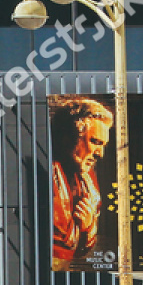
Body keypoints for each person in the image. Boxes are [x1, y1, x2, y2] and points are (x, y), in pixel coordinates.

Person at [49, 96, 115, 270]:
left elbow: (81, 249)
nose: (100, 154)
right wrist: (86, 227)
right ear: (69, 136)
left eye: (103, 145)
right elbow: (61, 243)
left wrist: (86, 227)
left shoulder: (87, 179)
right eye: (95, 142)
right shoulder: (50, 172)